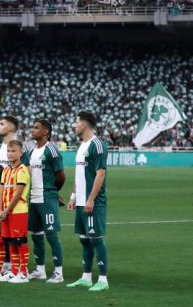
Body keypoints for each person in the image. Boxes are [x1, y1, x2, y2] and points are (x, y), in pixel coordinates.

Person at [67, 111, 109, 292]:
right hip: (81, 201)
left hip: (93, 202)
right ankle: (86, 278)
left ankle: (103, 280)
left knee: (96, 240)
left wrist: (90, 199)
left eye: (76, 123)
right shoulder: (81, 146)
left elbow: (100, 174)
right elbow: (79, 174)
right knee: (84, 240)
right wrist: (74, 196)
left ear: (84, 125)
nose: (74, 126)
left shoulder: (97, 145)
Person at [27, 119, 65, 283]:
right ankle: (40, 270)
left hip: (47, 198)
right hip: (33, 198)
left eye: (36, 128)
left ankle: (58, 272)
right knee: (36, 235)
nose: (33, 130)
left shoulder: (51, 150)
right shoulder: (32, 152)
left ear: (45, 132)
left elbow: (61, 175)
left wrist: (53, 192)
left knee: (51, 235)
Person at [0, 140, 30, 284]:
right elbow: (1, 190)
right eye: (8, 151)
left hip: (18, 211)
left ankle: (23, 273)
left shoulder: (22, 170)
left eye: (13, 151)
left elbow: (18, 194)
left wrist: (6, 210)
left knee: (20, 241)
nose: (10, 154)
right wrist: (0, 210)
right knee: (11, 242)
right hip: (6, 212)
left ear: (21, 153)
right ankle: (14, 271)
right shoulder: (6, 170)